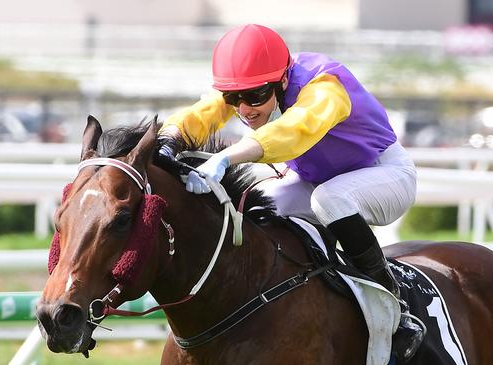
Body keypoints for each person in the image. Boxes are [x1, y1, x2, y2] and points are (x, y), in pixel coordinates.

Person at [158, 24, 422, 361]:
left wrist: (228, 156)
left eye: (255, 96)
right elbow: (203, 113)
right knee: (262, 209)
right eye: (234, 98)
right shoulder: (257, 82)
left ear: (283, 80)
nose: (245, 109)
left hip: (383, 173)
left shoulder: (325, 85)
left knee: (330, 200)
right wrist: (167, 143)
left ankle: (397, 307)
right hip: (319, 180)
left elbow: (296, 129)